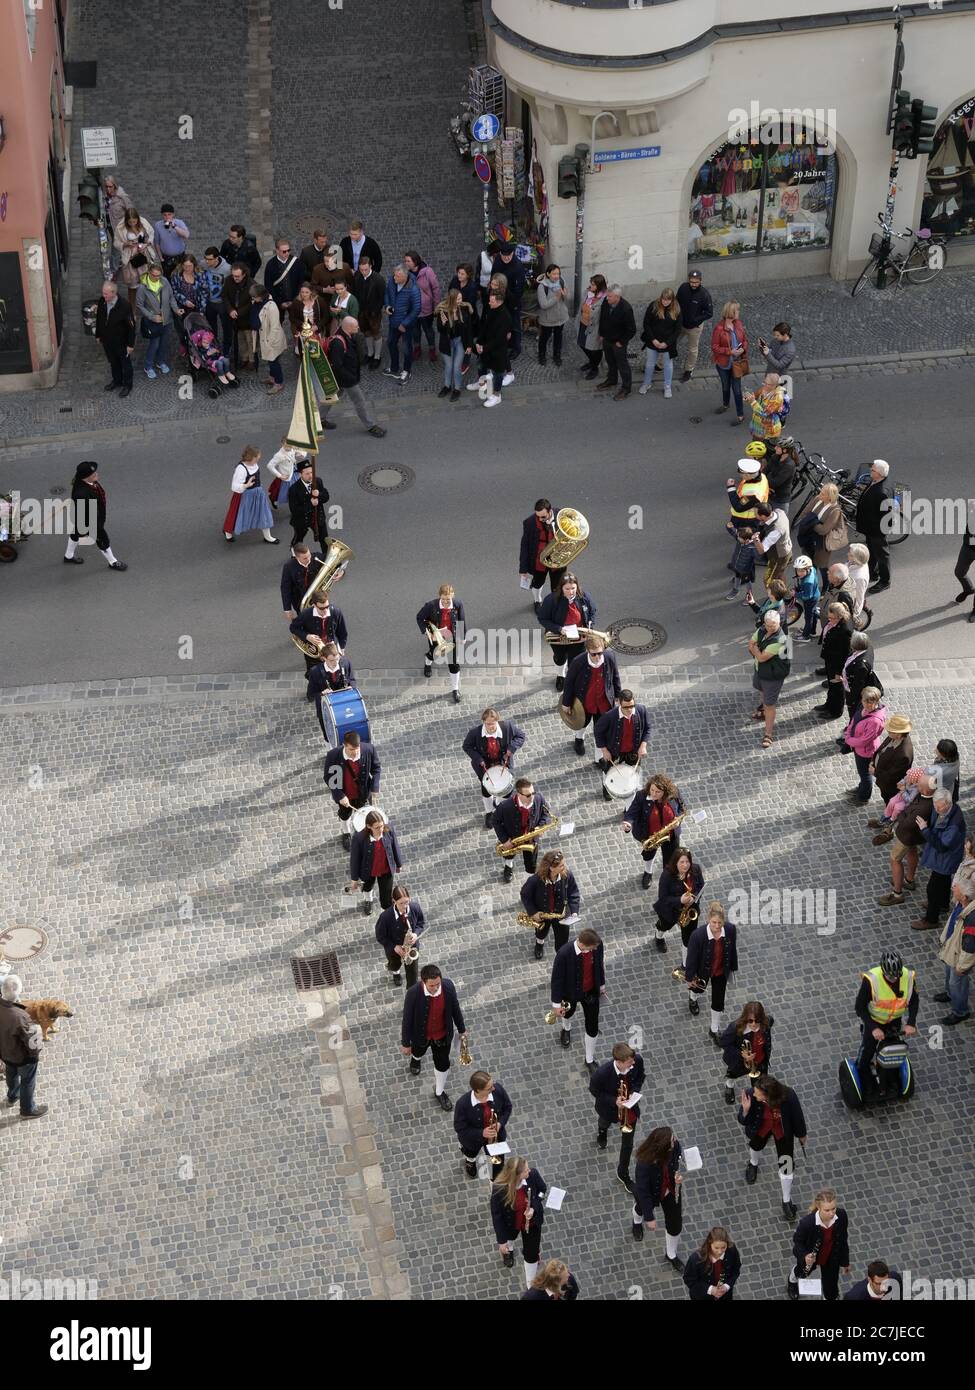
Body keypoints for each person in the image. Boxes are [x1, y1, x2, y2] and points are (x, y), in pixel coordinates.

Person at [401, 963, 467, 1111]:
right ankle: (416, 1060)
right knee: (418, 1052)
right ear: (424, 982)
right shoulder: (412, 993)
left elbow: (455, 1008)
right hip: (420, 1036)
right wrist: (406, 1043)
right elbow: (407, 1019)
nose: (436, 988)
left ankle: (439, 1092)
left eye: (438, 984)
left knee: (443, 1064)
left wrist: (462, 1029)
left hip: (442, 1036)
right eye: (432, 985)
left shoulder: (448, 986)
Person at [738, 1073, 805, 1217]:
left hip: (783, 1132)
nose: (754, 1095)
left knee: (786, 1165)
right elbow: (743, 1120)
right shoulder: (751, 1095)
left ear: (767, 1095)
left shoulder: (788, 1095)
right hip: (761, 1128)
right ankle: (753, 1164)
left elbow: (797, 1115)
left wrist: (801, 1134)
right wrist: (745, 1110)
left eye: (758, 1094)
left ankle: (786, 1200)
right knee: (755, 1146)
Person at [854, 949, 919, 1080]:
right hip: (874, 1020)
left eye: (897, 976)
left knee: (893, 1049)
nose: (894, 979)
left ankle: (888, 1074)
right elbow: (859, 1007)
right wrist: (873, 1028)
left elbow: (914, 1001)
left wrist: (911, 1023)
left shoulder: (908, 977)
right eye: (890, 976)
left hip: (894, 1020)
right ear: (883, 971)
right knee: (868, 1049)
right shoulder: (871, 980)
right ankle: (862, 1073)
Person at [589, 1042, 645, 1192]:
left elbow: (640, 1077)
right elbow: (595, 1091)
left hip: (629, 1109)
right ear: (619, 1062)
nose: (633, 1063)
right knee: (604, 1122)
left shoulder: (636, 1060)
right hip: (609, 1109)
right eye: (629, 1062)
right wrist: (614, 1101)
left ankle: (623, 1173)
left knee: (628, 1144)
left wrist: (634, 1091)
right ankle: (602, 1133)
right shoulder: (602, 1073)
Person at [462, 707, 526, 827]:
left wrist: (511, 748)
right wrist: (478, 759)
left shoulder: (507, 727)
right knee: (486, 790)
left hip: (503, 763)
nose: (490, 726)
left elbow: (521, 736)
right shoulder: (475, 733)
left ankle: (498, 805)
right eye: (487, 724)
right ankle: (489, 812)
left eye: (493, 723)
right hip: (484, 765)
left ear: (497, 721)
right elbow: (467, 746)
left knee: (507, 791)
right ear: (483, 722)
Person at [550, 929, 605, 1068]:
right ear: (582, 944)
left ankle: (589, 1059)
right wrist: (556, 1005)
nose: (595, 949)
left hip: (591, 992)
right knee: (568, 1012)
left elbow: (599, 965)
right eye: (592, 948)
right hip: (569, 993)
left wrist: (602, 985)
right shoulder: (564, 954)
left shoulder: (597, 945)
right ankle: (566, 1028)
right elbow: (556, 980)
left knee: (592, 1025)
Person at [632, 1126, 685, 1269]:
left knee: (675, 1223)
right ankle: (637, 1222)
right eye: (672, 1139)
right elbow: (643, 1192)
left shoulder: (675, 1147)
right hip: (650, 1193)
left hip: (670, 1191)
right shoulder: (644, 1164)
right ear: (664, 1149)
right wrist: (649, 1217)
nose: (675, 1140)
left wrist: (677, 1179)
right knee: (640, 1208)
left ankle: (671, 1254)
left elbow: (677, 1162)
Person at [912, 791, 967, 931]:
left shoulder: (954, 824)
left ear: (948, 804)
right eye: (935, 806)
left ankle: (931, 919)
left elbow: (942, 846)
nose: (937, 810)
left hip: (946, 857)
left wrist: (925, 830)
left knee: (932, 888)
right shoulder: (945, 809)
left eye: (940, 807)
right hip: (945, 857)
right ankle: (942, 904)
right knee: (944, 880)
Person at [561, 634, 622, 760]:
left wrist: (617, 694)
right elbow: (569, 682)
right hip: (584, 702)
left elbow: (615, 675)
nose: (597, 657)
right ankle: (579, 739)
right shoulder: (578, 661)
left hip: (604, 702)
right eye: (593, 654)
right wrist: (566, 703)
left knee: (600, 731)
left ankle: (598, 758)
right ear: (588, 651)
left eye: (599, 653)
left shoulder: (610, 657)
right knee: (582, 722)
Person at [877, 774, 935, 906]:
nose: (916, 786)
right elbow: (908, 810)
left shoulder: (923, 806)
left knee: (895, 859)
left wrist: (901, 816)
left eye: (919, 785)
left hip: (908, 835)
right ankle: (909, 880)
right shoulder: (925, 796)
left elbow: (907, 822)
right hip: (913, 836)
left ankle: (897, 893)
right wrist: (905, 814)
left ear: (925, 790)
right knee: (912, 851)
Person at [326, 316, 387, 436]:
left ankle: (320, 418)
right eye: (356, 327)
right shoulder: (338, 343)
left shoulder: (347, 335)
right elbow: (337, 366)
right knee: (360, 401)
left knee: (332, 396)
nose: (358, 328)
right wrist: (351, 378)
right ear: (348, 328)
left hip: (344, 377)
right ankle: (371, 426)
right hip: (347, 379)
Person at [685, 902, 738, 1041]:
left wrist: (733, 967)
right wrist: (690, 978)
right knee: (698, 989)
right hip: (703, 970)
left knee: (718, 1001)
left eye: (719, 923)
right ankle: (693, 998)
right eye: (714, 922)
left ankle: (714, 1029)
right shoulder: (698, 935)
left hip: (721, 970)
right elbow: (691, 959)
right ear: (709, 919)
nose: (716, 926)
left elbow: (733, 950)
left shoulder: (730, 929)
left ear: (723, 921)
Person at [491, 1156, 547, 1287]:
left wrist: (534, 1207)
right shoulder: (499, 1188)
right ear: (516, 1175)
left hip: (531, 1223)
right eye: (526, 1171)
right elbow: (497, 1215)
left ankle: (530, 1284)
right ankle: (508, 1250)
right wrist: (502, 1241)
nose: (529, 1171)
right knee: (509, 1239)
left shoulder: (533, 1175)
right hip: (511, 1223)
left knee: (531, 1254)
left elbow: (542, 1191)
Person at [61, 461, 127, 570]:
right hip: (90, 520)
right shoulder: (81, 494)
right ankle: (113, 562)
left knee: (76, 533)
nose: (96, 474)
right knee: (102, 539)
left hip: (85, 516)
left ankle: (68, 556)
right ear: (85, 477)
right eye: (93, 474)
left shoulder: (87, 482)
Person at [623, 772, 684, 889]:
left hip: (670, 834)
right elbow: (631, 812)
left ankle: (668, 877)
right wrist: (627, 823)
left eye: (658, 792)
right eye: (652, 790)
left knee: (671, 858)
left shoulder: (674, 793)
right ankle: (648, 872)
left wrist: (678, 820)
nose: (654, 794)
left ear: (665, 792)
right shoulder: (642, 796)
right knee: (648, 855)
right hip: (650, 835)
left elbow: (682, 807)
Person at [788, 1191, 851, 1302]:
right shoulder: (807, 1223)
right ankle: (792, 1279)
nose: (831, 1213)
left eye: (833, 1208)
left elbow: (843, 1240)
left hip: (832, 1256)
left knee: (831, 1286)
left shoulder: (841, 1215)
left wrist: (845, 1262)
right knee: (801, 1271)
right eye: (827, 1210)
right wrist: (805, 1256)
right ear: (818, 1208)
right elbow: (798, 1242)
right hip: (813, 1256)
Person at [537, 571, 596, 690]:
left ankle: (571, 679)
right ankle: (561, 674)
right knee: (560, 658)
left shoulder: (585, 597)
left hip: (578, 637)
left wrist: (590, 626)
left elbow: (592, 612)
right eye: (567, 588)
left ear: (577, 586)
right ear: (561, 587)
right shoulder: (551, 599)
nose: (570, 592)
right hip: (558, 636)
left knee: (575, 661)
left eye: (573, 588)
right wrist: (558, 629)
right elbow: (542, 618)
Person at [0, 974, 47, 1119]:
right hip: (22, 1057)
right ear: (18, 992)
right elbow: (33, 1042)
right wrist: (35, 1057)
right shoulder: (21, 1016)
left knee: (11, 1073)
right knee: (28, 1080)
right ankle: (27, 1109)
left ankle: (13, 1096)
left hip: (4, 1052)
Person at [323, 730, 379, 848]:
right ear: (344, 745)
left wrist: (374, 786)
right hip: (345, 795)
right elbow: (329, 778)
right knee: (345, 815)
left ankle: (364, 834)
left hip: (363, 793)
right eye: (351, 750)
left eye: (357, 749)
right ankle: (346, 832)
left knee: (365, 814)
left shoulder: (369, 750)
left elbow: (376, 769)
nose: (354, 753)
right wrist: (339, 795)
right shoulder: (333, 756)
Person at [521, 850, 580, 961]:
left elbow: (573, 893)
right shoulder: (535, 880)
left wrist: (574, 911)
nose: (565, 867)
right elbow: (525, 895)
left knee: (562, 939)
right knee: (540, 932)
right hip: (542, 915)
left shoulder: (567, 875)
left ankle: (561, 956)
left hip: (562, 915)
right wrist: (533, 912)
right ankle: (539, 943)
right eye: (561, 865)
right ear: (552, 868)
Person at [454, 1069, 512, 1180]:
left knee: (497, 1167)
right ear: (478, 1090)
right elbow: (460, 1128)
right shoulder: (463, 1104)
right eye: (489, 1088)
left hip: (496, 1136)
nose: (493, 1088)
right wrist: (482, 1133)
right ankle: (470, 1161)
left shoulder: (498, 1090)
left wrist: (500, 1123)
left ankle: (494, 1180)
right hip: (472, 1140)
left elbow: (508, 1107)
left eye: (492, 1085)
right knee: (470, 1153)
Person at [494, 778, 554, 884]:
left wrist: (541, 826)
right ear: (519, 794)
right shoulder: (505, 806)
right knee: (509, 855)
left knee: (532, 863)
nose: (532, 797)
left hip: (531, 839)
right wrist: (504, 840)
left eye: (533, 793)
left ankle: (531, 878)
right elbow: (495, 821)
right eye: (528, 795)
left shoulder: (538, 798)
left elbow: (546, 813)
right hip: (512, 838)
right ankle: (509, 866)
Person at [933, 872, 975, 1024]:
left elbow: (970, 946)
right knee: (949, 978)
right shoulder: (961, 904)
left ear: (964, 897)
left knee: (957, 982)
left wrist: (962, 966)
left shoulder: (972, 918)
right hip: (952, 948)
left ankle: (960, 1011)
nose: (953, 888)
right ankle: (950, 995)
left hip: (960, 956)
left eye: (956, 889)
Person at [594, 690, 649, 801]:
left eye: (632, 706)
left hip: (633, 751)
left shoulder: (641, 710)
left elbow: (648, 728)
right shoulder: (610, 716)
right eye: (626, 707)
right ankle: (607, 787)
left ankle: (629, 793)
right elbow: (598, 732)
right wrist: (604, 751)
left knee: (633, 774)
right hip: (614, 751)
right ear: (619, 703)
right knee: (609, 771)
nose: (629, 710)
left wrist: (643, 745)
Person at [655, 846, 704, 966]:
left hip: (690, 910)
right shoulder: (666, 876)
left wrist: (694, 897)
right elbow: (663, 898)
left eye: (687, 862)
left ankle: (685, 964)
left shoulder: (695, 869)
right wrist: (680, 900)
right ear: (675, 862)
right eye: (681, 862)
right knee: (664, 926)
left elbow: (700, 886)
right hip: (671, 910)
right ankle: (658, 936)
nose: (685, 865)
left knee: (688, 939)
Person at [748, 609, 790, 748]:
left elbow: (761, 657)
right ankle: (763, 712)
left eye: (774, 625)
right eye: (768, 625)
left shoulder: (780, 640)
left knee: (769, 704)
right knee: (762, 691)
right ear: (764, 623)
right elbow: (751, 643)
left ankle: (768, 734)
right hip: (762, 671)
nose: (770, 628)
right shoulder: (762, 630)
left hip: (773, 675)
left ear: (779, 623)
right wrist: (755, 649)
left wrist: (755, 649)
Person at [720, 1001, 774, 1106]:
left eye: (757, 1020)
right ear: (745, 1018)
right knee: (733, 1074)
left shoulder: (766, 1023)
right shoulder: (736, 1027)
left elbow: (770, 1021)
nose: (753, 1024)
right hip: (741, 1061)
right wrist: (741, 1054)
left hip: (760, 1061)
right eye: (750, 1020)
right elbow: (723, 1042)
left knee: (759, 1084)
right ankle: (729, 1085)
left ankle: (758, 1102)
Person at [416, 583, 464, 702]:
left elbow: (461, 620)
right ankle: (427, 664)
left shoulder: (458, 604)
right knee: (433, 654)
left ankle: (455, 689)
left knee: (454, 663)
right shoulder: (431, 605)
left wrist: (461, 636)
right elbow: (419, 617)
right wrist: (428, 632)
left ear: (453, 595)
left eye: (448, 599)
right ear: (439, 597)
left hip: (450, 635)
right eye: (443, 599)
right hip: (436, 636)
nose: (446, 602)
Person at [350, 810, 403, 914]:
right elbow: (355, 860)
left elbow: (395, 847)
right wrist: (354, 879)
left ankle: (387, 916)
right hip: (368, 870)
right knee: (367, 887)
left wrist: (399, 863)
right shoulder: (359, 838)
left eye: (382, 826)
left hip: (386, 869)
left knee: (386, 899)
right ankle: (368, 900)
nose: (381, 829)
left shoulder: (388, 830)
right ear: (369, 826)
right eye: (377, 827)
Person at [841, 687, 888, 804]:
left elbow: (864, 740)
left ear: (876, 702)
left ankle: (863, 797)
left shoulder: (875, 721)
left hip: (866, 751)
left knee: (865, 774)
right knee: (862, 773)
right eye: (864, 701)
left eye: (870, 702)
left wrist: (848, 739)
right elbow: (854, 720)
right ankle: (861, 788)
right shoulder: (864, 707)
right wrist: (848, 732)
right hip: (858, 748)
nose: (866, 704)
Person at [223, 445, 277, 545]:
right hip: (244, 496)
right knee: (236, 515)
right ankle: (228, 532)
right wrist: (246, 485)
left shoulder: (254, 465)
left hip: (258, 494)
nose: (258, 461)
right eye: (257, 458)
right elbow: (234, 486)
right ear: (251, 457)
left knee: (264, 513)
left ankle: (268, 536)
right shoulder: (241, 469)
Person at [867, 714, 915, 826]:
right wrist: (873, 761)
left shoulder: (904, 755)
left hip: (890, 786)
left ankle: (888, 822)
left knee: (890, 802)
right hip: (883, 779)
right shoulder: (893, 737)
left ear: (898, 734)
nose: (887, 733)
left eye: (890, 731)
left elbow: (892, 775)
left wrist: (875, 772)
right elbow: (881, 750)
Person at [855, 459, 893, 595]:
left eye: (873, 470)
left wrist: (881, 532)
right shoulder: (877, 481)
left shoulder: (881, 492)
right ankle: (873, 573)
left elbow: (887, 516)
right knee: (872, 551)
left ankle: (885, 581)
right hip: (870, 528)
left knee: (882, 555)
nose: (870, 471)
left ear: (880, 474)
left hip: (876, 530)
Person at [375, 884, 424, 990]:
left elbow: (420, 923)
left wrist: (416, 934)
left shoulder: (415, 907)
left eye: (407, 902)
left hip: (411, 948)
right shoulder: (385, 917)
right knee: (394, 965)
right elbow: (380, 936)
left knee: (413, 976)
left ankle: (411, 993)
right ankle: (396, 972)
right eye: (401, 903)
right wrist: (394, 947)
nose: (405, 906)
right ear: (394, 901)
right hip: (394, 950)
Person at [470, 287, 512, 407]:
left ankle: (497, 395)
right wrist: (478, 342)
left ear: (499, 301)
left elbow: (499, 339)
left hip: (497, 351)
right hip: (486, 347)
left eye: (491, 301)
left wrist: (484, 348)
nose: (489, 302)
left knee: (497, 373)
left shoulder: (505, 317)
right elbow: (484, 328)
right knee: (481, 366)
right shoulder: (492, 309)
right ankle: (483, 386)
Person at [307, 643, 355, 742]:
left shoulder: (345, 663)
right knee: (329, 731)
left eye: (337, 659)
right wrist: (321, 694)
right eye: (331, 660)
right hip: (326, 708)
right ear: (323, 658)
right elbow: (311, 694)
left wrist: (352, 687)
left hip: (343, 703)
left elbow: (352, 679)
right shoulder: (315, 672)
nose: (335, 663)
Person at [95, 280, 136, 397]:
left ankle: (127, 385)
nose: (104, 296)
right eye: (103, 293)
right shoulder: (102, 301)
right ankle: (117, 381)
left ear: (114, 293)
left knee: (125, 364)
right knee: (113, 362)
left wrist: (130, 345)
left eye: (106, 294)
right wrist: (98, 334)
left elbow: (131, 327)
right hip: (107, 341)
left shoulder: (125, 305)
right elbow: (99, 318)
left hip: (121, 342)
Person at [711, 301, 748, 425]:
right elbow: (715, 347)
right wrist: (729, 351)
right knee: (725, 385)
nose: (739, 312)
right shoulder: (719, 329)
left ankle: (740, 415)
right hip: (724, 364)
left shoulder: (738, 324)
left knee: (737, 389)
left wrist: (743, 348)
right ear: (730, 312)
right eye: (737, 310)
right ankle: (725, 404)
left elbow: (745, 340)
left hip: (736, 363)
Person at [639, 288, 681, 398]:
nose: (665, 302)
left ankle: (667, 386)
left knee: (668, 365)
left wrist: (667, 343)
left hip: (668, 343)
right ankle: (646, 383)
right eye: (663, 299)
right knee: (650, 363)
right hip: (653, 340)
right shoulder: (654, 306)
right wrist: (653, 340)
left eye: (668, 300)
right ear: (661, 297)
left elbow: (677, 330)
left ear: (672, 300)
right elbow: (646, 324)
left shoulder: (677, 309)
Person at [596, 285, 636, 400]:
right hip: (607, 339)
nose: (607, 298)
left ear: (617, 297)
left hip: (618, 342)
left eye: (610, 296)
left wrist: (621, 342)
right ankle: (612, 380)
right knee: (610, 362)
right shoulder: (606, 302)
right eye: (607, 295)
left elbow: (631, 330)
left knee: (622, 365)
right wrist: (602, 334)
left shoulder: (626, 309)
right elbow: (603, 319)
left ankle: (626, 388)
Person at [135, 261, 174, 380]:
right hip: (153, 320)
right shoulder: (142, 287)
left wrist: (176, 309)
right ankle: (148, 365)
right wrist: (152, 317)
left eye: (158, 275)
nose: (156, 278)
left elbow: (171, 297)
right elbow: (139, 305)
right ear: (149, 273)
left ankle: (160, 361)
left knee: (164, 342)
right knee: (154, 344)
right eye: (154, 275)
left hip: (166, 318)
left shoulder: (164, 281)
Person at [291, 591, 348, 671]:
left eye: (327, 606)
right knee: (313, 673)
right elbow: (293, 627)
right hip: (314, 650)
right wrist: (307, 636)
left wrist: (342, 648)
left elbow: (342, 632)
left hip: (332, 649)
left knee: (335, 672)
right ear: (314, 605)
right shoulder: (306, 614)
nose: (325, 611)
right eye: (321, 608)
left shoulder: (336, 611)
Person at [382, 264, 421, 382]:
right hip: (394, 321)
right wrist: (387, 306)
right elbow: (387, 294)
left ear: (405, 276)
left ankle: (407, 371)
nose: (394, 278)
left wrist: (404, 323)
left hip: (406, 325)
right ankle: (394, 368)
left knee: (406, 348)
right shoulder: (392, 281)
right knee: (390, 343)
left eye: (397, 277)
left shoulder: (413, 288)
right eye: (394, 275)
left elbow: (416, 309)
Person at [816, 601, 853, 720]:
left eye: (832, 618)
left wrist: (838, 672)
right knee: (831, 685)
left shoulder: (844, 631)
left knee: (837, 688)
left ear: (840, 616)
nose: (829, 620)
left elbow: (844, 654)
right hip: (830, 660)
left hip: (837, 664)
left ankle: (836, 711)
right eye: (829, 617)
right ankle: (828, 705)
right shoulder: (835, 623)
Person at [435, 288, 474, 399]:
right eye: (458, 299)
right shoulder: (443, 311)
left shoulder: (464, 309)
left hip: (460, 341)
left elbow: (469, 329)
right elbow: (440, 330)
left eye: (461, 298)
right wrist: (443, 323)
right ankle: (447, 386)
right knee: (448, 366)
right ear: (452, 300)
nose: (460, 301)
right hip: (447, 343)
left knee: (457, 367)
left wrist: (470, 345)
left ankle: (457, 389)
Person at [490, 243, 527, 359]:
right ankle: (504, 344)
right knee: (500, 324)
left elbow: (519, 289)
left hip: (513, 300)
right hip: (499, 298)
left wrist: (510, 297)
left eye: (509, 255)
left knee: (514, 325)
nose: (506, 258)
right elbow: (493, 277)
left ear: (513, 253)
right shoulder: (497, 262)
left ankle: (516, 348)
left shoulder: (518, 266)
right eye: (503, 255)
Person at [402, 251, 440, 363]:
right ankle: (417, 348)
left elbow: (436, 289)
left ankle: (432, 349)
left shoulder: (427, 272)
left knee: (428, 331)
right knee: (415, 331)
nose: (406, 263)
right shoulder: (406, 273)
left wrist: (436, 306)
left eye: (408, 261)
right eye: (405, 261)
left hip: (426, 309)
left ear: (415, 261)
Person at [115, 206, 159, 303]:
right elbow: (116, 243)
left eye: (134, 222)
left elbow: (151, 233)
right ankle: (132, 308)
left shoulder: (143, 222)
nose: (132, 224)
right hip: (130, 257)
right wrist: (126, 244)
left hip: (143, 254)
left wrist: (146, 244)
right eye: (130, 222)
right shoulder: (120, 228)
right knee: (132, 285)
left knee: (147, 281)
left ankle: (147, 304)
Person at [683, 1228, 741, 1301]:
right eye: (716, 1248)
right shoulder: (696, 1259)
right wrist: (710, 1289)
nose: (720, 1252)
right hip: (702, 1297)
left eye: (723, 1247)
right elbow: (689, 1280)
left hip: (725, 1296)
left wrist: (726, 1286)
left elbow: (736, 1270)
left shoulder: (732, 1250)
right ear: (709, 1244)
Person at [676, 269, 713, 381]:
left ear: (700, 281)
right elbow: (676, 302)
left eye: (696, 282)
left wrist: (696, 320)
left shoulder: (705, 294)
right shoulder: (683, 288)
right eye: (691, 281)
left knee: (692, 350)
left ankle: (689, 370)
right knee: (671, 343)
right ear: (688, 280)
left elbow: (709, 313)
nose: (693, 284)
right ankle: (660, 365)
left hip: (694, 328)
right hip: (680, 324)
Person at [352, 255, 386, 369]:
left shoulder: (378, 279)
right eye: (361, 270)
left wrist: (375, 311)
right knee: (366, 332)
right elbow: (354, 292)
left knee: (376, 333)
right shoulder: (357, 275)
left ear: (370, 266)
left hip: (374, 312)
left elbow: (382, 298)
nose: (364, 272)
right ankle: (370, 354)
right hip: (362, 311)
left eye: (366, 269)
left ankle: (377, 357)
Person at [287, 460, 329, 549]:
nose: (310, 476)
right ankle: (295, 553)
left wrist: (319, 495)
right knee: (299, 539)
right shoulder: (293, 489)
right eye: (307, 473)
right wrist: (310, 504)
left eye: (311, 472)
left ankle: (327, 558)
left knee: (324, 539)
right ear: (300, 474)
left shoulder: (318, 481)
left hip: (317, 516)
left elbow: (326, 497)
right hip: (302, 519)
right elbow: (294, 510)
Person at [222, 262, 255, 369]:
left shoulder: (251, 284)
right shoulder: (228, 280)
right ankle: (244, 359)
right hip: (234, 317)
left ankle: (252, 360)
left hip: (247, 317)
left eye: (237, 276)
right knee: (240, 339)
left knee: (250, 340)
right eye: (233, 275)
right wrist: (230, 310)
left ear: (244, 274)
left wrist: (238, 312)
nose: (235, 278)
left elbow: (252, 302)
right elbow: (225, 296)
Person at [535, 264, 569, 366]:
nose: (556, 276)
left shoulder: (561, 281)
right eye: (554, 273)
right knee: (544, 338)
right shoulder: (542, 287)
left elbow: (565, 298)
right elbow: (543, 305)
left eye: (558, 273)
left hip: (560, 317)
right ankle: (542, 356)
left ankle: (557, 356)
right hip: (548, 319)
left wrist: (566, 295)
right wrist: (556, 298)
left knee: (558, 337)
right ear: (548, 274)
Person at [263, 237, 303, 319]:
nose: (287, 253)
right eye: (284, 251)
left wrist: (295, 299)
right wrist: (279, 302)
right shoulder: (270, 265)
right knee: (277, 322)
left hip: (294, 300)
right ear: (277, 251)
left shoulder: (296, 262)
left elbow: (301, 281)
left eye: (289, 250)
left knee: (297, 321)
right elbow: (268, 285)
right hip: (278, 302)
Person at [576, 274, 607, 379]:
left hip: (595, 328)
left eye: (593, 285)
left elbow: (605, 317)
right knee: (581, 344)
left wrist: (602, 333)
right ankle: (592, 362)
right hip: (583, 323)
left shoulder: (604, 298)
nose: (591, 286)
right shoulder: (588, 293)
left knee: (595, 349)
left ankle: (594, 367)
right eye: (591, 284)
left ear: (599, 286)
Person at [726, 458, 769, 534]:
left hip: (746, 520)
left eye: (741, 474)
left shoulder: (752, 493)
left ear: (748, 475)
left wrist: (731, 488)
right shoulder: (761, 476)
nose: (740, 475)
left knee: (743, 538)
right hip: (752, 517)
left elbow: (738, 507)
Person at [743, 372, 786, 444]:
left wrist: (752, 402)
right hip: (757, 429)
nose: (764, 385)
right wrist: (748, 398)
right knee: (756, 451)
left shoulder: (778, 398)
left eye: (767, 384)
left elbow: (764, 413)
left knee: (767, 453)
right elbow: (755, 397)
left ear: (775, 385)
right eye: (764, 382)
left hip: (768, 433)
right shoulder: (764, 389)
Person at [153, 203, 190, 275]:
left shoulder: (179, 223)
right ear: (162, 215)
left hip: (179, 257)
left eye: (169, 214)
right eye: (165, 215)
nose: (167, 217)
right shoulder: (158, 225)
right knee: (168, 277)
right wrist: (161, 258)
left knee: (180, 276)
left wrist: (174, 226)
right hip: (166, 258)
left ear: (173, 214)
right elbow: (157, 242)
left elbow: (186, 235)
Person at [792, 555, 821, 643]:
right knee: (813, 614)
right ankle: (811, 630)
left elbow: (807, 596)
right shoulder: (812, 569)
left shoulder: (808, 582)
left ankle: (806, 636)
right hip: (816, 595)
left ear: (808, 569)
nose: (799, 573)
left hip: (810, 600)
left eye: (802, 570)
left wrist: (795, 594)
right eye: (797, 570)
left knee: (808, 617)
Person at [288, 282, 327, 346]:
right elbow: (292, 318)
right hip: (303, 331)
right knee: (304, 351)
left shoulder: (319, 300)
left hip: (317, 331)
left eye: (307, 292)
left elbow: (326, 316)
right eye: (302, 292)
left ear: (311, 292)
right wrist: (303, 325)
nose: (304, 294)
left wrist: (317, 326)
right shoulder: (296, 301)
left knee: (316, 350)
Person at [765, 438, 799, 510]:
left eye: (778, 447)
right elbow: (765, 470)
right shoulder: (775, 457)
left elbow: (775, 482)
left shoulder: (789, 465)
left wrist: (768, 476)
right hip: (770, 494)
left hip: (780, 500)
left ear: (785, 450)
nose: (775, 448)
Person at [726, 525, 755, 601]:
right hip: (737, 566)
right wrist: (729, 527)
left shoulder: (752, 547)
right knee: (737, 577)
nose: (737, 538)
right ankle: (735, 590)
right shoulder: (740, 540)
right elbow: (734, 533)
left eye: (739, 538)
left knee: (747, 582)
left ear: (746, 540)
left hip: (746, 570)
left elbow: (759, 556)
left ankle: (750, 595)